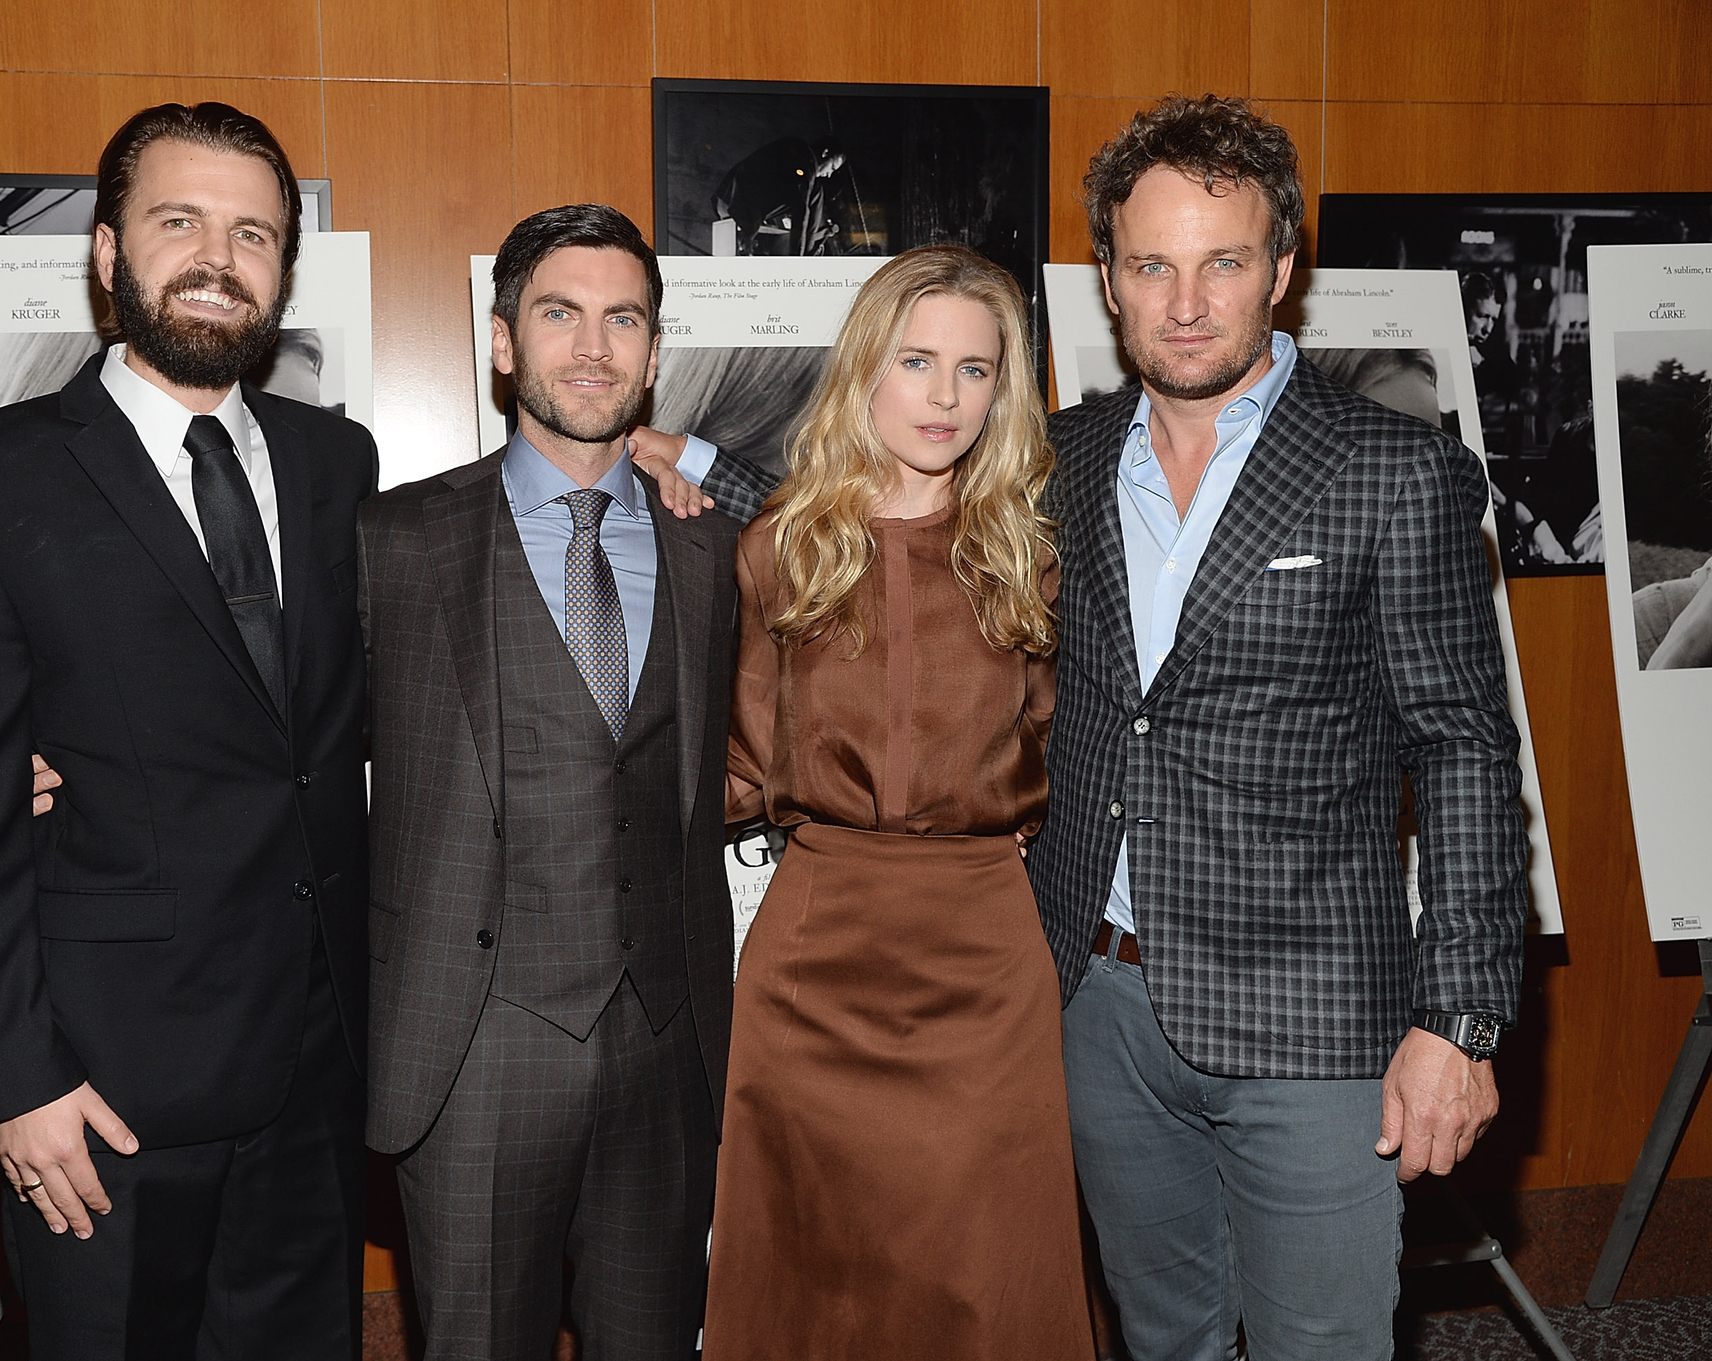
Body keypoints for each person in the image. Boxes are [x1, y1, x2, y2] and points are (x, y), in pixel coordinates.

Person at [1031, 94, 1528, 1360]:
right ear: (1107, 279)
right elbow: (879, 510)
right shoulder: (1059, 458)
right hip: (1099, 1000)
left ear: (1281, 272)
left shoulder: (1390, 470)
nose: (1185, 301)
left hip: (1315, 1022)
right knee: (1163, 1338)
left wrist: (1458, 1019)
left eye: (1222, 262)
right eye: (1152, 265)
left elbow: (1466, 747)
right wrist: (688, 461)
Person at [0, 102, 375, 1359]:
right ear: (106, 253)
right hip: (102, 1091)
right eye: (179, 222)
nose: (218, 255)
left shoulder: (338, 465)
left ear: (282, 270)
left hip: (314, 1076)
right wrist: (14, 1080)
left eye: (253, 233)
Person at [356, 203, 779, 1361]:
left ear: (655, 351)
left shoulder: (710, 548)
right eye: (558, 313)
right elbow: (279, 742)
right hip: (470, 1048)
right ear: (503, 342)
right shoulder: (393, 541)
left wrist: (700, 459)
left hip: (667, 1043)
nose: (591, 348)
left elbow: (861, 524)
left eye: (622, 320)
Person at [701, 244, 1094, 1359]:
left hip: (981, 949)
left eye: (975, 369)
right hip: (815, 948)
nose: (944, 395)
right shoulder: (777, 551)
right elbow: (735, 760)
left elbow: (1062, 752)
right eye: (916, 359)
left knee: (982, 1270)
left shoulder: (1029, 559)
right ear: (864, 368)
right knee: (815, 1273)